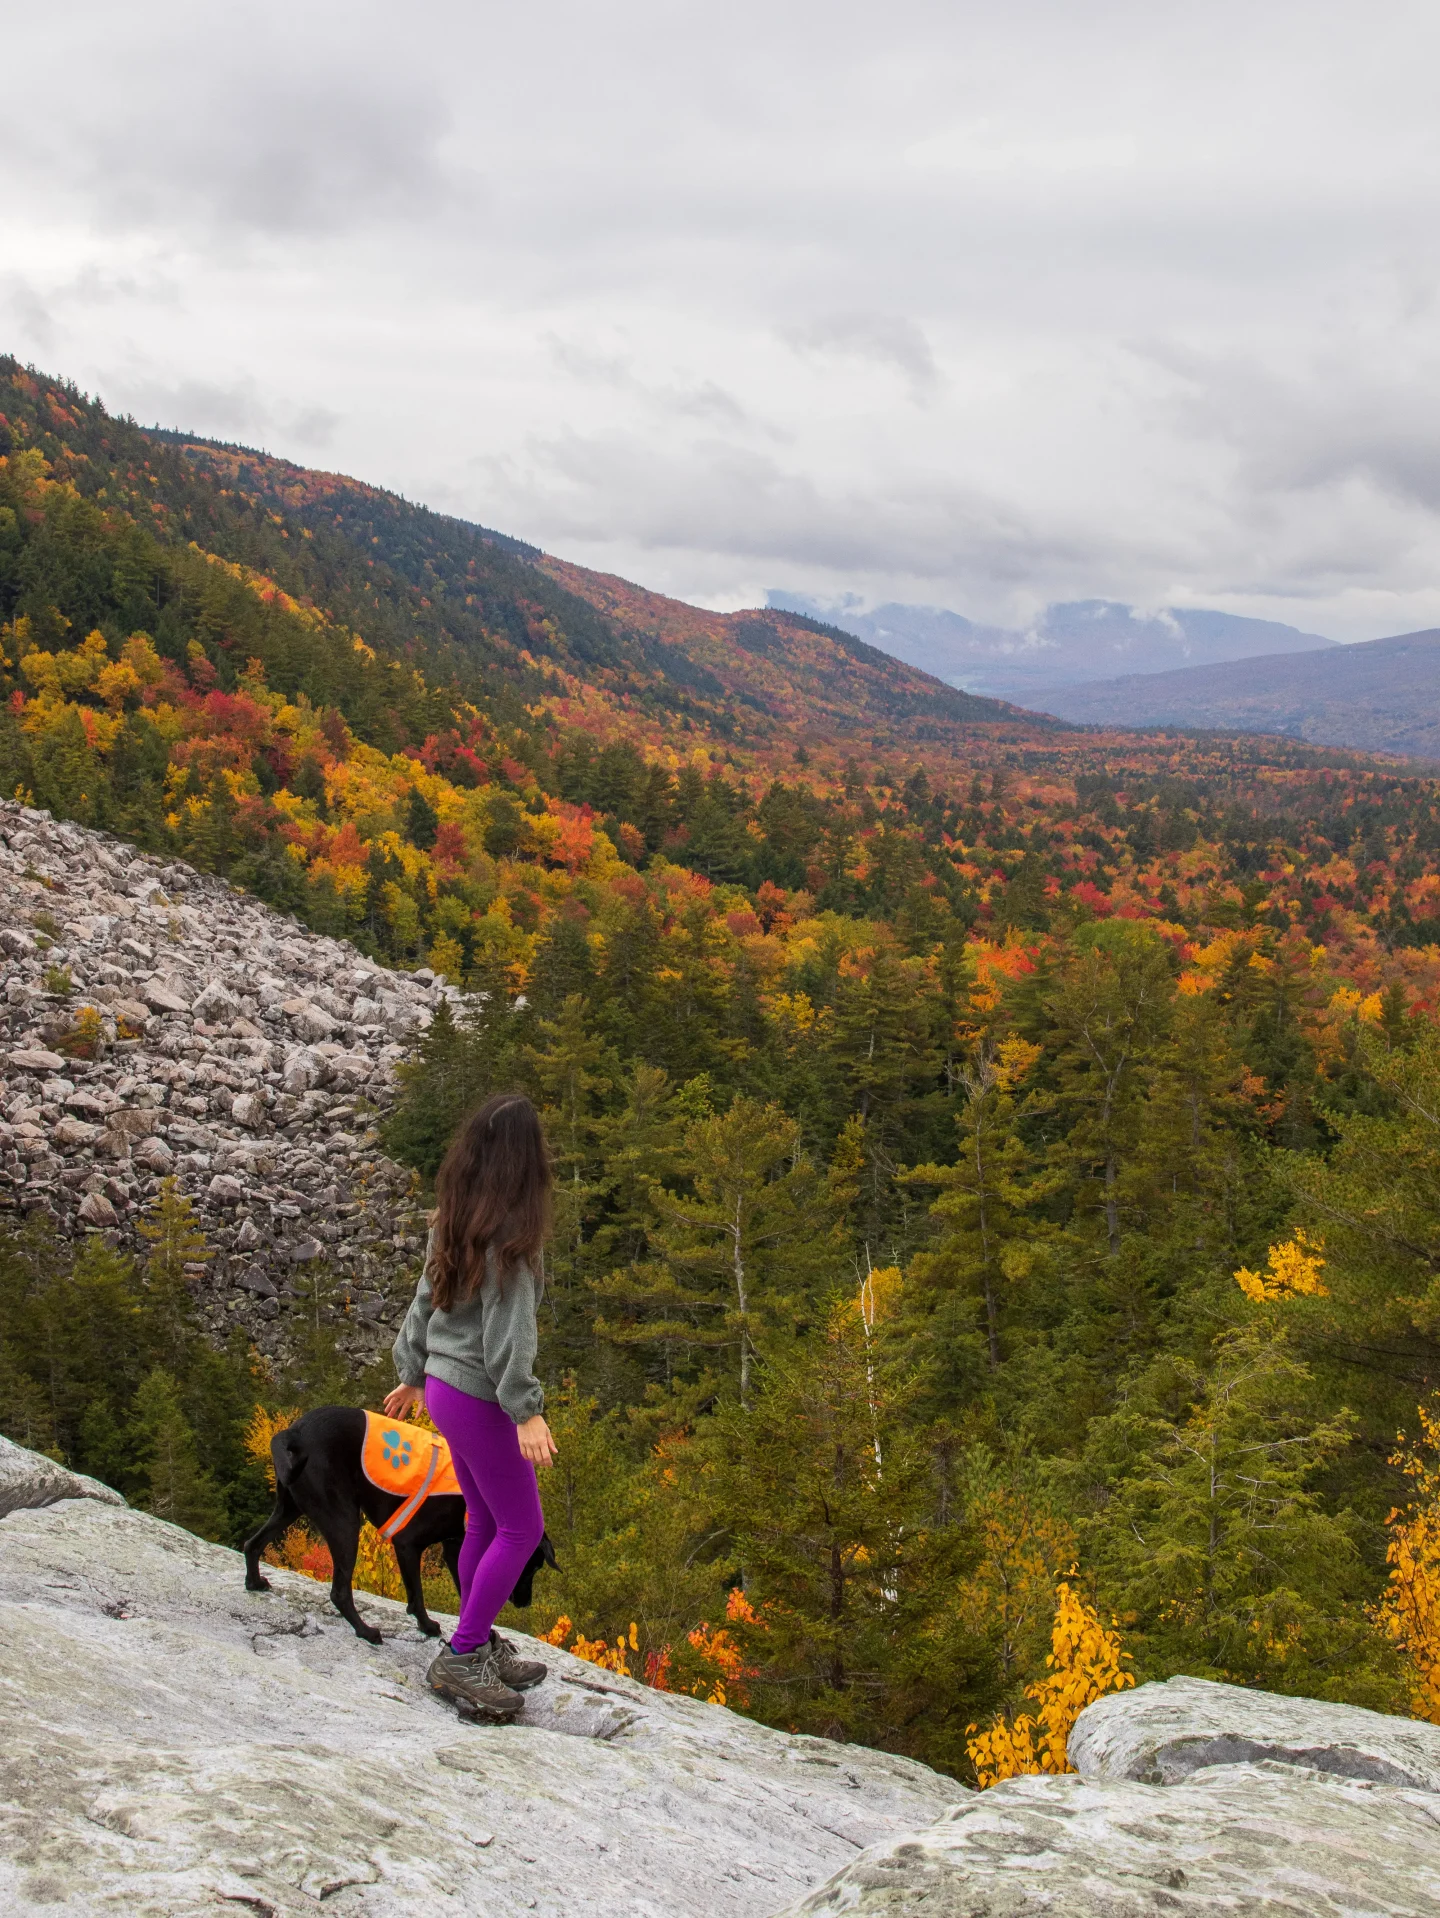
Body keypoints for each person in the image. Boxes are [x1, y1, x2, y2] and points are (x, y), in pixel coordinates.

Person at [385, 1092, 559, 1720]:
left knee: (483, 1522)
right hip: (481, 1397)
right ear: (526, 1160)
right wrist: (526, 1409)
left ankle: (478, 1639)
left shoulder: (453, 1217)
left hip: (442, 1390)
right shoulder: (513, 1237)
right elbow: (508, 1339)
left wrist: (410, 1373)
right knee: (522, 1528)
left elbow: (423, 1300)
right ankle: (461, 1656)